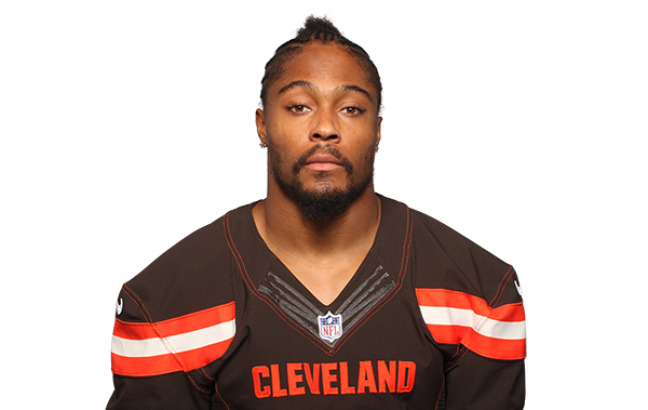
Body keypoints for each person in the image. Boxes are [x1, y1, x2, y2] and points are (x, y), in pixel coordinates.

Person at [107, 10, 526, 410]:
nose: (325, 127)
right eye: (299, 106)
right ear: (262, 124)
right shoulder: (164, 302)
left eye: (351, 108)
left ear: (377, 130)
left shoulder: (480, 293)